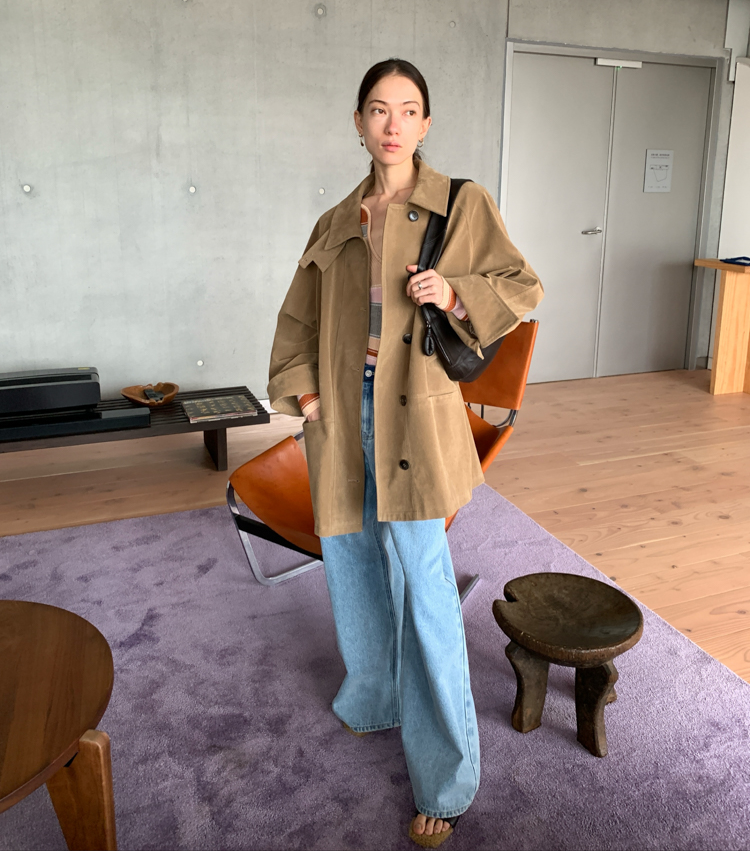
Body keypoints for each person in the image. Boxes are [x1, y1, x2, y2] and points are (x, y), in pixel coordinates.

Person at [268, 58, 543, 848]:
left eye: (408, 108)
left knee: (423, 582)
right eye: (378, 109)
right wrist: (308, 398)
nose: (393, 124)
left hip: (413, 414)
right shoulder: (335, 221)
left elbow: (521, 284)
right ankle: (375, 695)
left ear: (425, 123)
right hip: (340, 411)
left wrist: (454, 294)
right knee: (352, 558)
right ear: (358, 123)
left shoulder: (458, 203)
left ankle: (446, 780)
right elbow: (297, 319)